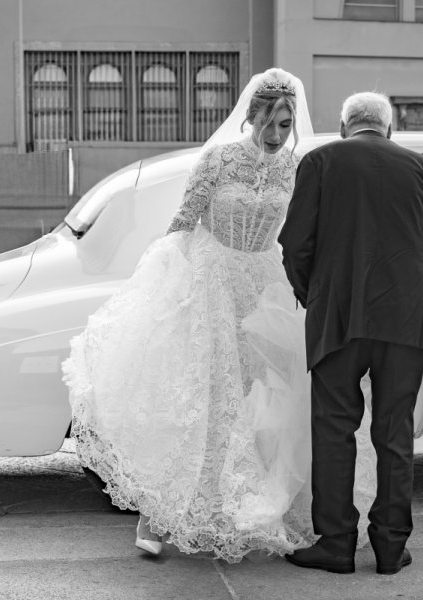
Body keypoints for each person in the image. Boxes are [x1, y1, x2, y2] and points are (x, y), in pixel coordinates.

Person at [61, 68, 376, 563]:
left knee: (268, 402)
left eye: (286, 125)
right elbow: (184, 221)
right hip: (211, 282)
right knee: (198, 400)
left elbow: (304, 233)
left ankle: (256, 507)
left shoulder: (297, 168)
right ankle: (159, 517)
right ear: (250, 118)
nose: (277, 135)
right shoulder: (219, 159)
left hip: (266, 286)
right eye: (270, 124)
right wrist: (169, 287)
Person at [278, 92, 423, 575]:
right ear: (389, 129)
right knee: (394, 434)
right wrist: (416, 279)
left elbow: (295, 243)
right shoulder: (422, 167)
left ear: (344, 127)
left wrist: (312, 292)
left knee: (335, 431)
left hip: (338, 315)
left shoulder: (320, 161)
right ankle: (389, 547)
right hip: (404, 319)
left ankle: (336, 545)